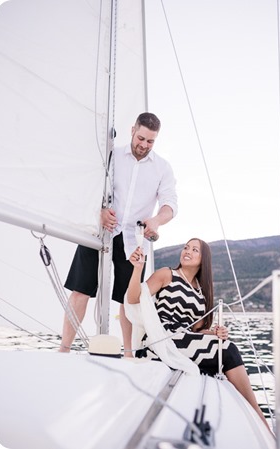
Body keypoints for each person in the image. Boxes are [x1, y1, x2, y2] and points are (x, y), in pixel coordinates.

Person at [59, 112, 178, 354]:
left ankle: (128, 353)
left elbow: (170, 204)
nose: (144, 145)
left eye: (150, 141)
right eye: (141, 138)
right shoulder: (111, 157)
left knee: (128, 300)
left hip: (134, 240)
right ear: (133, 130)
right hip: (100, 231)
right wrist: (100, 211)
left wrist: (156, 220)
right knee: (80, 291)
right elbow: (90, 189)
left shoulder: (163, 168)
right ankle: (63, 350)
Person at [126, 237, 271, 431]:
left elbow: (195, 330)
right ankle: (260, 418)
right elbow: (134, 298)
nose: (187, 251)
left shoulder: (202, 292)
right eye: (186, 247)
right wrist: (137, 269)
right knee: (228, 351)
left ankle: (253, 416)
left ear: (204, 259)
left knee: (224, 346)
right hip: (162, 339)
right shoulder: (167, 275)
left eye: (195, 250)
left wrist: (214, 332)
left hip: (183, 340)